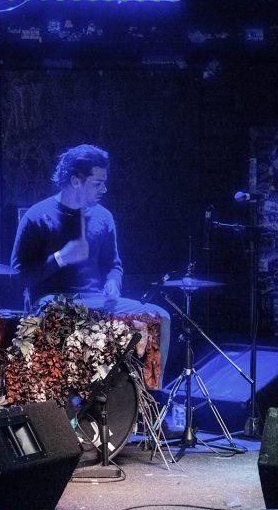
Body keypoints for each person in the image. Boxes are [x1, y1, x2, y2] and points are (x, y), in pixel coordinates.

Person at [10, 144, 170, 380]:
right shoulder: (37, 216)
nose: (104, 189)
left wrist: (114, 283)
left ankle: (149, 397)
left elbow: (114, 265)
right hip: (54, 304)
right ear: (75, 181)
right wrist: (60, 258)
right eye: (97, 183)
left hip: (96, 302)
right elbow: (17, 278)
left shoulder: (103, 217)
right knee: (71, 322)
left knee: (159, 317)